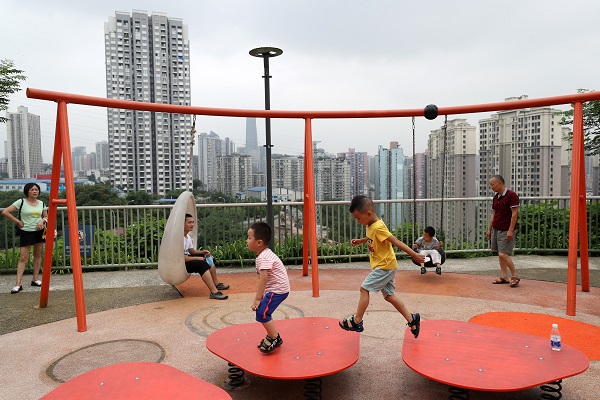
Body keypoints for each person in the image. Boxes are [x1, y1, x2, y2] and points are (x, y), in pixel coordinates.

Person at [339, 195, 425, 338]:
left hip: (384, 267)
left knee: (364, 288)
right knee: (389, 296)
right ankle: (412, 319)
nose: (358, 221)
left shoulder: (378, 227)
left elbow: (395, 241)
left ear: (368, 213)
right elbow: (371, 238)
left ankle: (357, 321)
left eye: (358, 218)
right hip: (387, 265)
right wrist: (360, 241)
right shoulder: (370, 225)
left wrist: (413, 254)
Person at [247, 221, 290, 353]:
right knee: (263, 312)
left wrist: (257, 299)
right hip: (277, 289)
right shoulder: (264, 254)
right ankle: (274, 336)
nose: (247, 240)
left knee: (262, 312)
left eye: (249, 238)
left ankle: (274, 337)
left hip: (278, 290)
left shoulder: (264, 257)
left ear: (259, 242)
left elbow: (264, 278)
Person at [2, 183, 48, 294]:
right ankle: (18, 284)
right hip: (26, 231)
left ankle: (35, 279)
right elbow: (5, 212)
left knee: (37, 255)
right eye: (32, 189)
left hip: (39, 231)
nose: (35, 191)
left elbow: (46, 216)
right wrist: (18, 222)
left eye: (36, 189)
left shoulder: (41, 203)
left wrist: (42, 221)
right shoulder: (21, 202)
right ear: (27, 191)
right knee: (23, 257)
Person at [183, 214, 229, 300]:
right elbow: (181, 258)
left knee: (208, 257)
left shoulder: (187, 237)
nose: (192, 224)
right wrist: (198, 258)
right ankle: (214, 292)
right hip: (180, 264)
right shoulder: (179, 238)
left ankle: (216, 284)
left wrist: (203, 252)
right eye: (189, 222)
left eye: (193, 222)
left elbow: (192, 251)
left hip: (186, 259)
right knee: (202, 264)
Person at [486, 175, 520, 287]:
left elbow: (514, 214)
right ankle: (505, 276)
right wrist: (489, 229)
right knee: (499, 254)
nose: (491, 187)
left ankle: (515, 276)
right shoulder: (496, 197)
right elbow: (493, 214)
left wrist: (510, 230)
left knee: (503, 254)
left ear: (500, 183)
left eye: (492, 184)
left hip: (505, 229)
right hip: (496, 227)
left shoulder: (511, 195)